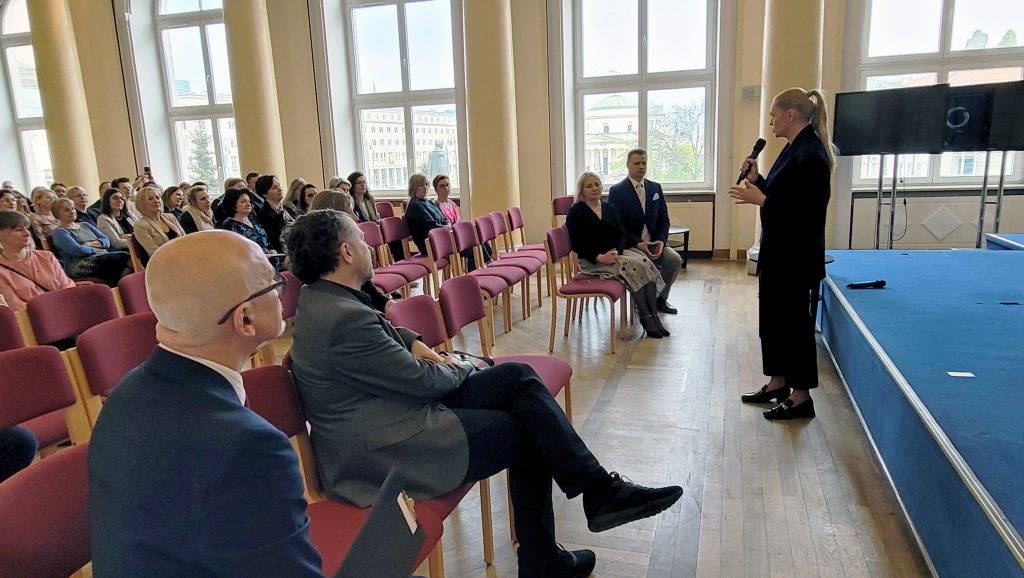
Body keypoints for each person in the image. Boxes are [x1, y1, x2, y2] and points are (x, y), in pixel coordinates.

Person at [284, 209, 684, 577]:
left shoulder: (327, 300)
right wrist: (463, 363)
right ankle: (559, 539)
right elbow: (422, 380)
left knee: (516, 378)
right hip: (384, 448)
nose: (370, 245)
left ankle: (588, 504)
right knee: (528, 426)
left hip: (389, 413)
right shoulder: (341, 319)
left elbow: (377, 328)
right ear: (346, 252)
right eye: (361, 238)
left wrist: (415, 343)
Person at [88, 230, 323, 576]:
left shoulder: (128, 391)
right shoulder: (249, 447)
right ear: (245, 319)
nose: (280, 288)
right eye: (271, 282)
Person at [730, 87, 834, 421]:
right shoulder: (793, 149)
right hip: (778, 252)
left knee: (794, 327)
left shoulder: (813, 154)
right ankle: (777, 382)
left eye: (774, 114)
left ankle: (801, 396)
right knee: (773, 322)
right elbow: (784, 192)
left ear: (791, 115)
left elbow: (806, 212)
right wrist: (758, 179)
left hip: (795, 257)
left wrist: (761, 201)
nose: (771, 121)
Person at [566, 172, 670, 339]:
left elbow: (621, 235)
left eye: (597, 184)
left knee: (645, 263)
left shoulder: (609, 207)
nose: (595, 188)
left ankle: (654, 316)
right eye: (589, 186)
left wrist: (616, 251)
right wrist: (600, 257)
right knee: (634, 267)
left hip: (614, 255)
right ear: (582, 190)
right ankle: (645, 317)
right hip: (592, 260)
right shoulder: (575, 212)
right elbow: (577, 243)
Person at [607, 148, 683, 315]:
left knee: (675, 260)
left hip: (655, 242)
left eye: (644, 163)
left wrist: (661, 242)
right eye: (637, 163)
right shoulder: (617, 191)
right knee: (642, 263)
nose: (641, 166)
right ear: (628, 165)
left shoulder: (655, 188)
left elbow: (664, 219)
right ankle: (642, 303)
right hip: (631, 245)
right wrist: (639, 244)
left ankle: (660, 299)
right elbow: (617, 226)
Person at [404, 174, 482, 271]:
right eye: (421, 185)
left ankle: (484, 267)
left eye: (426, 184)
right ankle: (476, 274)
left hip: (441, 238)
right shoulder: (415, 205)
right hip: (430, 244)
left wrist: (446, 225)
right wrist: (444, 227)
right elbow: (430, 225)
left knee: (475, 240)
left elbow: (443, 218)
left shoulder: (428, 202)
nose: (425, 187)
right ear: (414, 187)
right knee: (471, 248)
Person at [0, 211, 75, 309]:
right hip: (35, 318)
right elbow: (15, 304)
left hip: (64, 308)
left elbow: (67, 286)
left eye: (27, 228)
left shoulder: (47, 257)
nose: (27, 233)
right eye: (19, 230)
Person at [50, 198, 130, 286]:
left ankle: (119, 288)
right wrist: (97, 248)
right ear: (57, 214)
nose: (72, 211)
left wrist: (89, 244)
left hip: (102, 257)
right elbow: (78, 251)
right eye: (66, 210)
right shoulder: (60, 232)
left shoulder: (85, 225)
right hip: (80, 264)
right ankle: (119, 289)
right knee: (123, 257)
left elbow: (106, 241)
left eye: (72, 208)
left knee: (126, 260)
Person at [133, 187, 186, 263]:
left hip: (182, 256)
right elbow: (154, 253)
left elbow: (185, 238)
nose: (156, 201)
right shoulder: (140, 225)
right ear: (142, 204)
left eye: (157, 197)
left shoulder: (170, 217)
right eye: (150, 199)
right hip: (162, 262)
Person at [255, 175, 293, 254]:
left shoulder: (286, 210)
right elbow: (273, 240)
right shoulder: (264, 215)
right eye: (274, 188)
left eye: (279, 185)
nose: (280, 189)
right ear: (264, 194)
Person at [96, 187, 137, 252]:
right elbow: (116, 243)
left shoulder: (129, 215)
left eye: (122, 199)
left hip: (138, 248)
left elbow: (142, 231)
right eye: (115, 198)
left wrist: (127, 236)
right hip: (124, 252)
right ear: (107, 201)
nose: (119, 200)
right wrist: (138, 240)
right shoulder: (103, 219)